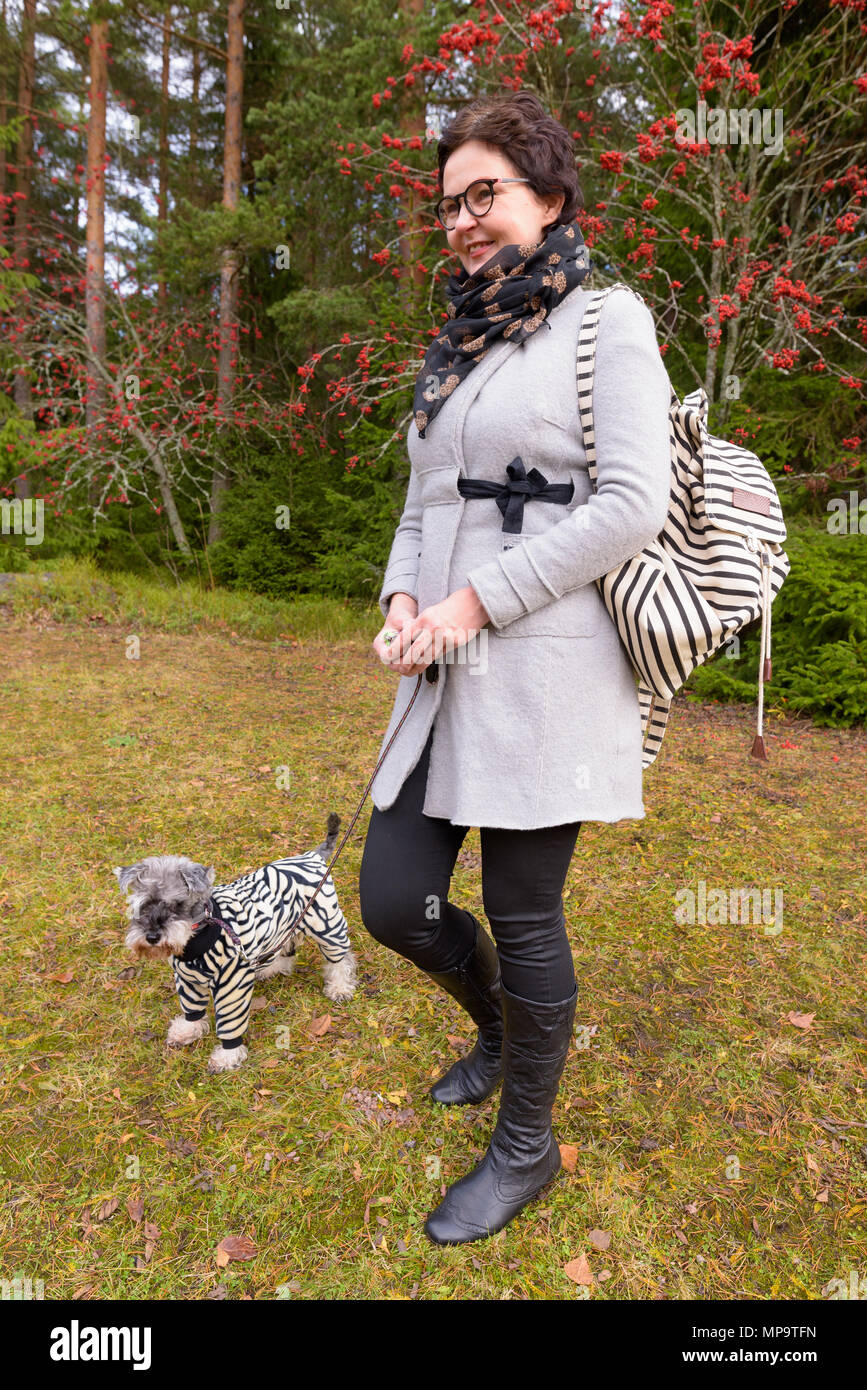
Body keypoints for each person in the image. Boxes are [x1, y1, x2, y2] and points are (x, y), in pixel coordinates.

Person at [358, 89, 672, 1246]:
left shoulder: (609, 322)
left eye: (483, 194)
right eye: (448, 205)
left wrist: (476, 599)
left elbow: (635, 504)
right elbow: (420, 503)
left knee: (523, 910)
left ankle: (528, 1147)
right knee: (395, 901)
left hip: (547, 668)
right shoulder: (459, 343)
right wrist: (402, 598)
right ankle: (497, 1030)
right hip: (437, 675)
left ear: (549, 196)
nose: (461, 220)